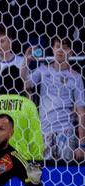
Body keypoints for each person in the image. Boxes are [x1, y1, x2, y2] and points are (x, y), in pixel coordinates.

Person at [22, 33, 85, 161]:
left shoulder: (76, 77)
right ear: (53, 49)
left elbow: (81, 112)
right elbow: (25, 83)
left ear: (71, 53)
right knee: (45, 171)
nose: (60, 50)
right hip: (45, 131)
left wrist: (82, 145)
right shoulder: (43, 70)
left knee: (66, 170)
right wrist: (26, 60)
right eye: (57, 46)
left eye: (65, 47)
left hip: (66, 131)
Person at [0, 66, 43, 160]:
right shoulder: (28, 105)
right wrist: (37, 162)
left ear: (1, 84)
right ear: (20, 83)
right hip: (20, 162)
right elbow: (35, 139)